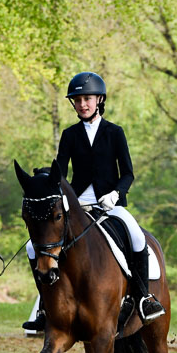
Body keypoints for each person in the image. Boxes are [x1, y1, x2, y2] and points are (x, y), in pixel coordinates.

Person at [23, 71, 165, 332]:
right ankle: (45, 306)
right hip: (77, 205)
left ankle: (144, 297)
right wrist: (45, 178)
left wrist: (116, 193)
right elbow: (61, 174)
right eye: (77, 100)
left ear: (99, 99)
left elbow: (128, 173)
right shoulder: (70, 134)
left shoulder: (115, 132)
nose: (82, 104)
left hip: (110, 203)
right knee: (34, 248)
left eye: (87, 99)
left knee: (136, 236)